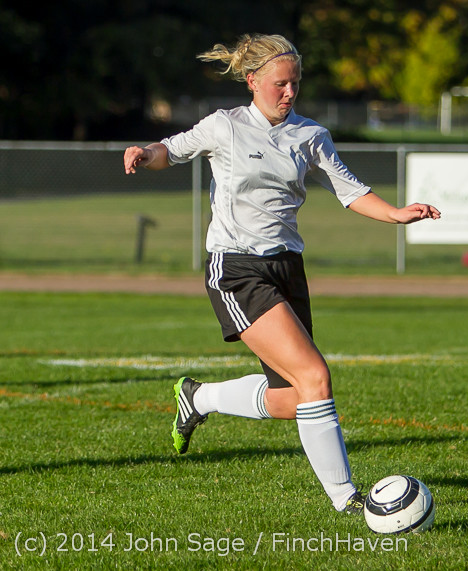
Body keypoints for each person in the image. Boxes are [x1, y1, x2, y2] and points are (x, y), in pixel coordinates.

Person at [123, 34, 440, 514]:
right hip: (236, 268)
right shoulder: (225, 127)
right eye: (280, 84)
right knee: (316, 377)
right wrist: (144, 155)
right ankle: (347, 500)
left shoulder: (310, 136)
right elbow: (170, 148)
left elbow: (350, 191)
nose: (290, 93)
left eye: (295, 83)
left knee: (295, 398)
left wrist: (396, 213)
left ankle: (199, 397)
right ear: (252, 82)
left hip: (287, 266)